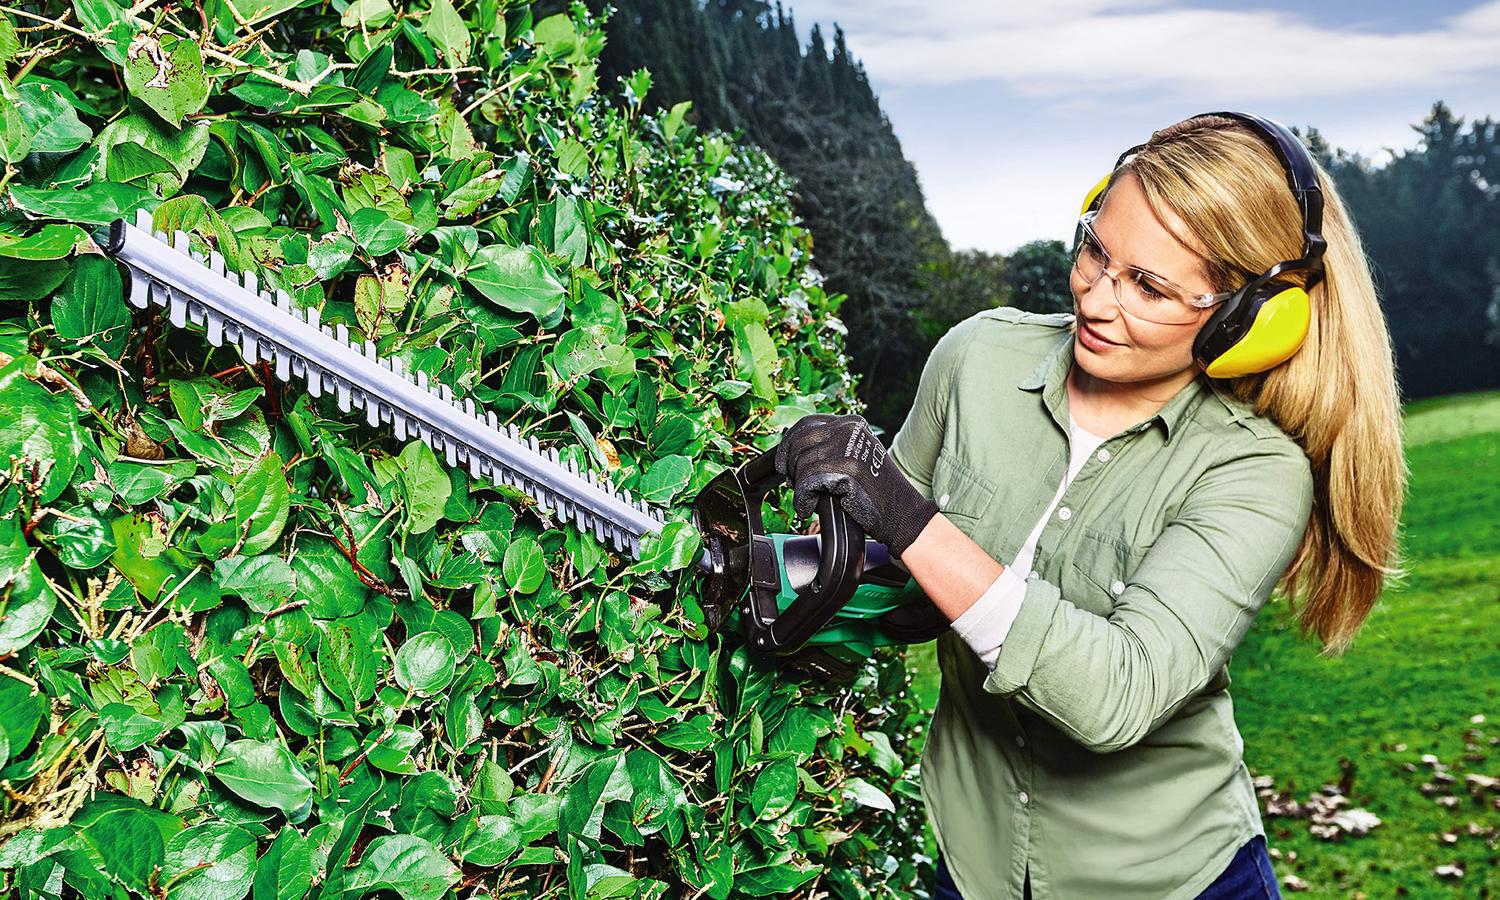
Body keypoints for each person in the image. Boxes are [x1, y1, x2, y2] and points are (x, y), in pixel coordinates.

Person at [771, 112, 1406, 899]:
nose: (1098, 300)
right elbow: (907, 578)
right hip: (976, 867)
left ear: (1249, 322)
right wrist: (787, 575)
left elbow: (1119, 693)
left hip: (1172, 879)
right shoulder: (977, 359)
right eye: (1097, 250)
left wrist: (902, 513)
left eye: (1150, 286)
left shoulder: (1254, 471)